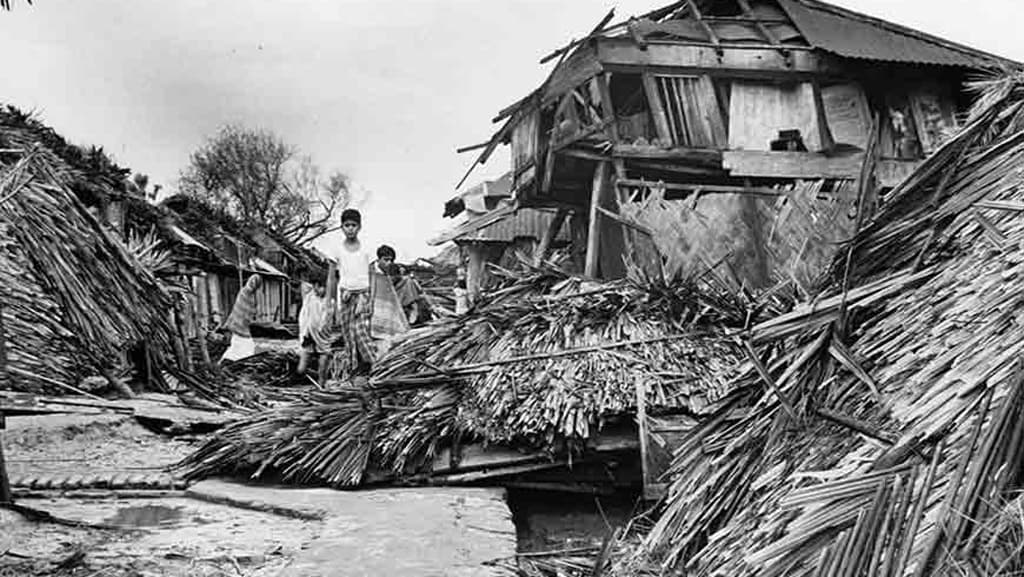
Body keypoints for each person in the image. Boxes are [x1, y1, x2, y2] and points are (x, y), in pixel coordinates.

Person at [327, 209, 376, 382]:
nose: (350, 229)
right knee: (348, 334)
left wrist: (372, 300)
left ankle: (373, 365)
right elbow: (331, 277)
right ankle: (354, 370)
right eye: (346, 225)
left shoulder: (367, 248)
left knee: (361, 331)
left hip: (363, 295)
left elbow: (372, 275)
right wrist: (330, 302)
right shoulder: (337, 249)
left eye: (353, 225)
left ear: (359, 227)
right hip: (346, 295)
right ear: (341, 227)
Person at [218, 274, 262, 362]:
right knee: (245, 344)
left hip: (244, 324)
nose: (252, 284)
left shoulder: (253, 297)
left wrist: (251, 316)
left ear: (257, 286)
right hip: (237, 324)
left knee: (240, 345)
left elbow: (251, 311)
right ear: (249, 281)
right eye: (251, 281)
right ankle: (225, 360)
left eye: (255, 283)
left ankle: (227, 360)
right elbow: (237, 308)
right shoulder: (243, 292)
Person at [297, 273, 331, 383]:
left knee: (322, 370)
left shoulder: (329, 301)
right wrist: (306, 334)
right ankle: (313, 377)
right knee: (301, 369)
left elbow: (325, 321)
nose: (321, 290)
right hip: (308, 337)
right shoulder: (309, 297)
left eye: (324, 287)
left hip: (322, 339)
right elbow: (304, 285)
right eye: (319, 287)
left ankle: (321, 389)